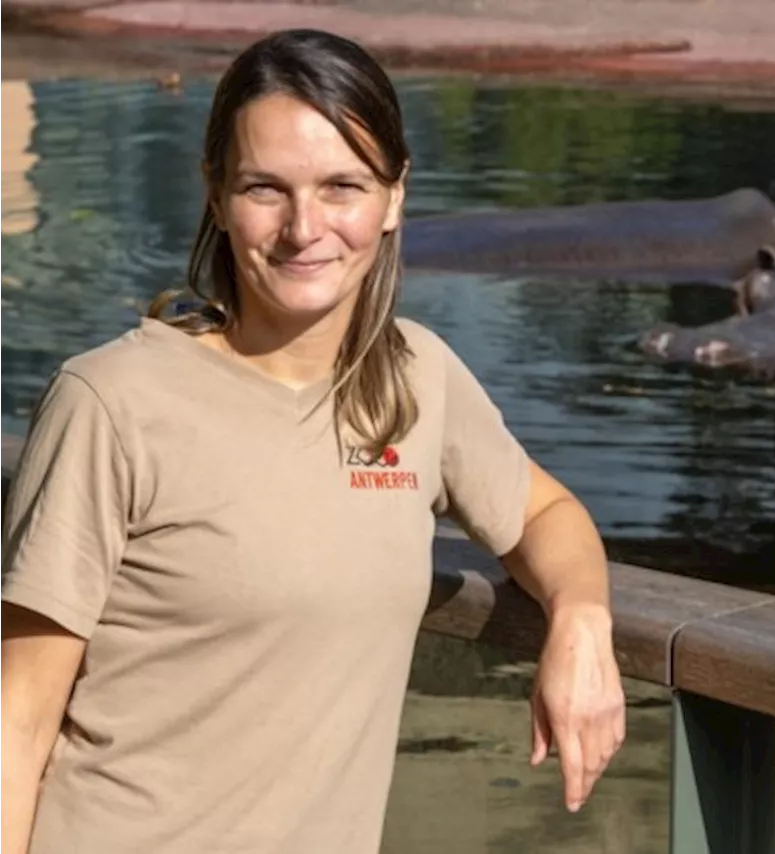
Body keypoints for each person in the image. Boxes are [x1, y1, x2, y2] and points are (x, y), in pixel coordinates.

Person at [0, 28, 625, 854]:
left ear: (394, 197)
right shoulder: (111, 402)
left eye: (343, 186)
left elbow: (544, 512)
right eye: (266, 188)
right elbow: (19, 715)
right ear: (216, 195)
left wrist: (582, 618)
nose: (305, 228)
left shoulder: (415, 380)